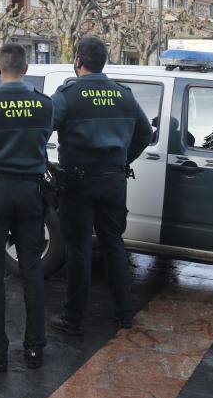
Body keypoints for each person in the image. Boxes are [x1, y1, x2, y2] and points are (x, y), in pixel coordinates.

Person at [49, 36, 152, 336]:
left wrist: (44, 164)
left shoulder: (67, 94)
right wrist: (123, 159)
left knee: (79, 248)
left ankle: (73, 318)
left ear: (78, 61)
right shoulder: (124, 95)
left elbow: (42, 128)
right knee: (113, 244)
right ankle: (125, 314)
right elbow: (145, 133)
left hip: (77, 181)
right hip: (113, 179)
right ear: (103, 62)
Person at [0, 43, 53, 371]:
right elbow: (43, 138)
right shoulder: (44, 105)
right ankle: (35, 349)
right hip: (31, 194)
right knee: (32, 271)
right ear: (26, 69)